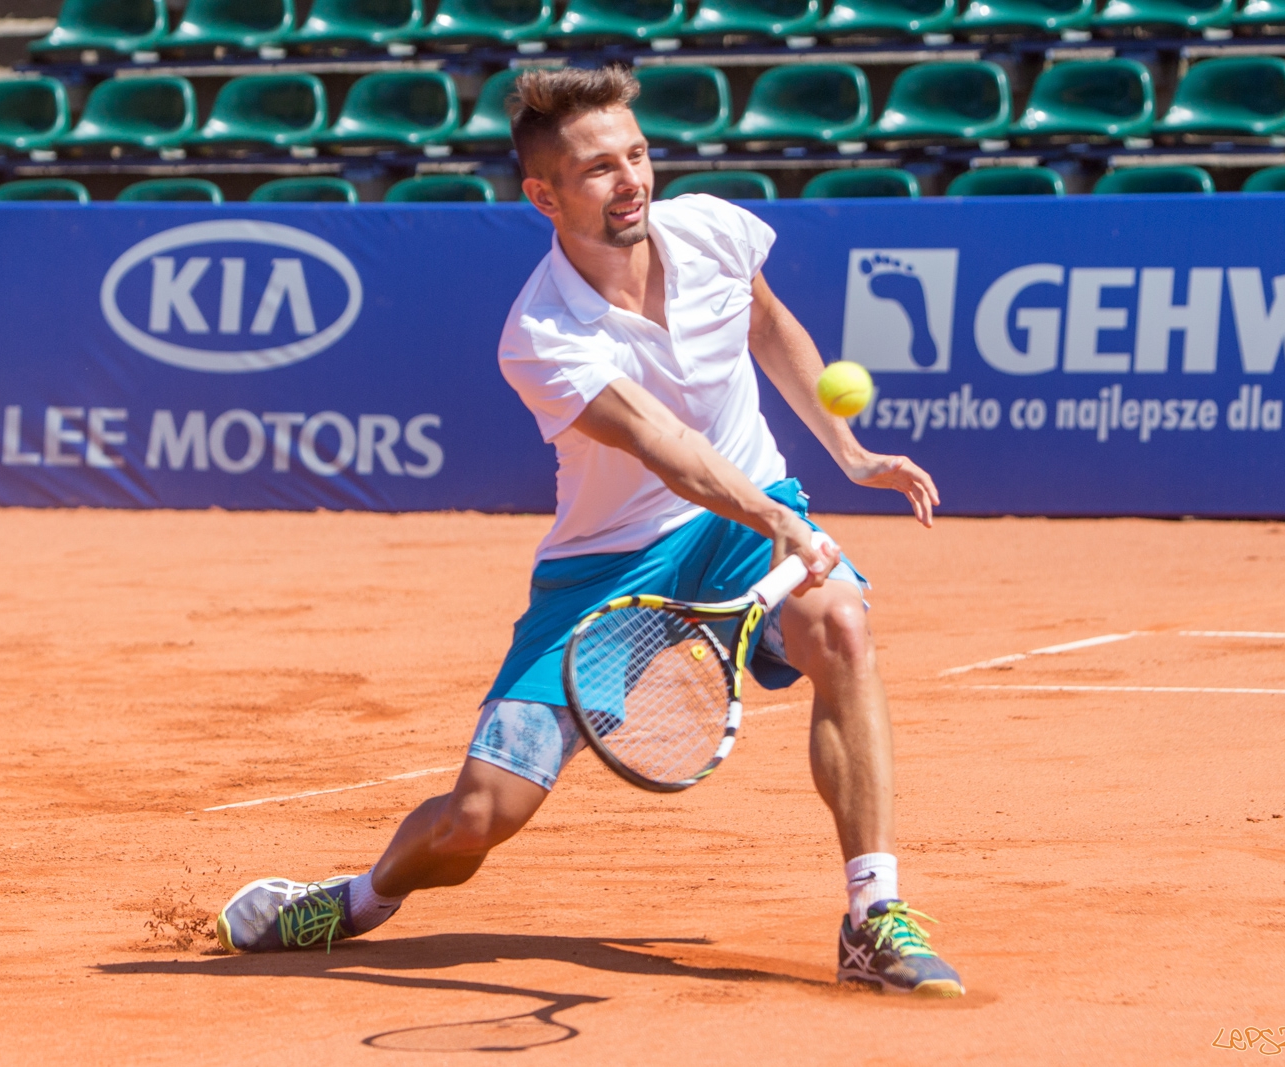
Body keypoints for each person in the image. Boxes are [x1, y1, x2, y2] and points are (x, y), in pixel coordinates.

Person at [216, 66, 962, 997]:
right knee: (481, 815)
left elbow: (768, 324)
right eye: (601, 168)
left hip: (742, 518)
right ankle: (356, 899)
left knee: (841, 625)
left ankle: (873, 917)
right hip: (609, 563)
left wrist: (846, 453)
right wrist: (778, 517)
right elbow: (663, 444)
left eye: (638, 155)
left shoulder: (714, 229)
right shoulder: (542, 331)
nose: (632, 180)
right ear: (545, 196)